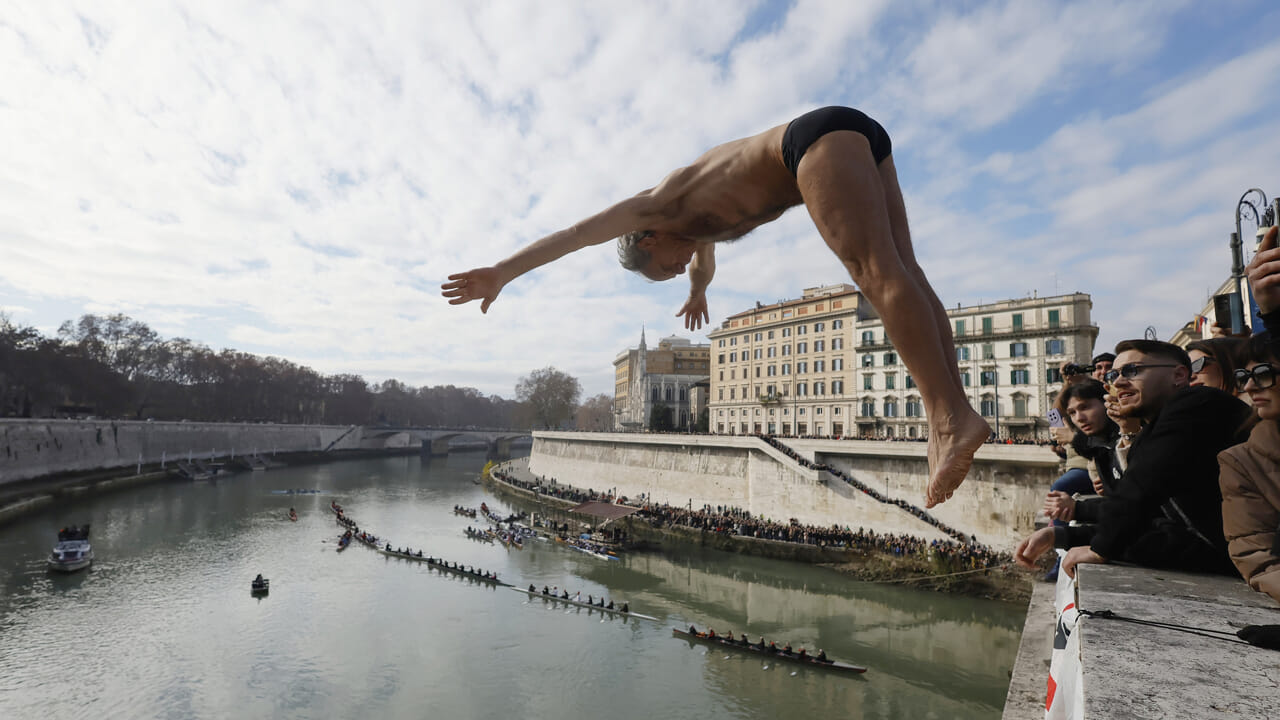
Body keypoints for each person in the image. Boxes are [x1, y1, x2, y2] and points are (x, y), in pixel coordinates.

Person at [442, 106, 991, 508]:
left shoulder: (657, 205)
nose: (676, 270)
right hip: (858, 135)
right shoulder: (694, 230)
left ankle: (946, 418)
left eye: (665, 269)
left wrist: (502, 272)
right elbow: (703, 264)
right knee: (906, 272)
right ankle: (956, 411)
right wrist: (697, 292)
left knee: (876, 275)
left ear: (647, 239)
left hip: (812, 143)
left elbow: (576, 233)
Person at [1014, 340, 1252, 577]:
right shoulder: (1151, 432)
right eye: (1111, 375)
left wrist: (1099, 547)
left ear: (1179, 375)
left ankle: (1057, 567)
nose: (1117, 382)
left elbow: (1138, 491)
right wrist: (1064, 536)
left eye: (1131, 371)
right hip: (1224, 549)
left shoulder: (1196, 404)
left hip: (1243, 551)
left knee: (1061, 486)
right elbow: (1145, 518)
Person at [1218, 332, 1279, 603]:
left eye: (1264, 373)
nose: (1251, 387)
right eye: (1244, 377)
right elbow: (1260, 561)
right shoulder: (1241, 461)